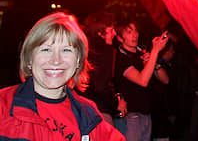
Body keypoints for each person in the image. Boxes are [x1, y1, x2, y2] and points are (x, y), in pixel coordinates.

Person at [0, 11, 124, 140]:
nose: (56, 60)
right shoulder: (3, 105)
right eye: (46, 49)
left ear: (78, 61)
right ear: (30, 58)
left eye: (66, 50)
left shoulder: (87, 114)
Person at [113, 20, 169, 141]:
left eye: (136, 31)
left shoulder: (140, 53)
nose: (134, 35)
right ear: (119, 37)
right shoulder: (120, 58)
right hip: (130, 116)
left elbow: (165, 80)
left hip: (146, 114)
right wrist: (155, 51)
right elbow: (142, 81)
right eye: (129, 32)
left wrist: (153, 63)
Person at [83, 10, 126, 126]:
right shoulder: (106, 50)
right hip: (100, 110)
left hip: (83, 109)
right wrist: (116, 103)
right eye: (111, 30)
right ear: (100, 33)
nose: (115, 34)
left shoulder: (85, 49)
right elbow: (101, 85)